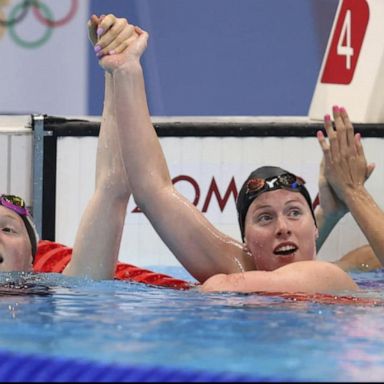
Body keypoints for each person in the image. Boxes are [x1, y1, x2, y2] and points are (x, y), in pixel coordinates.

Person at [92, 14, 383, 293]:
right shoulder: (248, 272)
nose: (282, 228)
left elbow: (225, 286)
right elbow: (153, 189)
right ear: (245, 242)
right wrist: (127, 68)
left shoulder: (330, 275)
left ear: (316, 230)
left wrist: (352, 192)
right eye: (265, 218)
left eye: (295, 212)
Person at [0, 15, 133, 280]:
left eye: (8, 229)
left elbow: (112, 188)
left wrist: (118, 70)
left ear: (31, 259)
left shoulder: (60, 295)